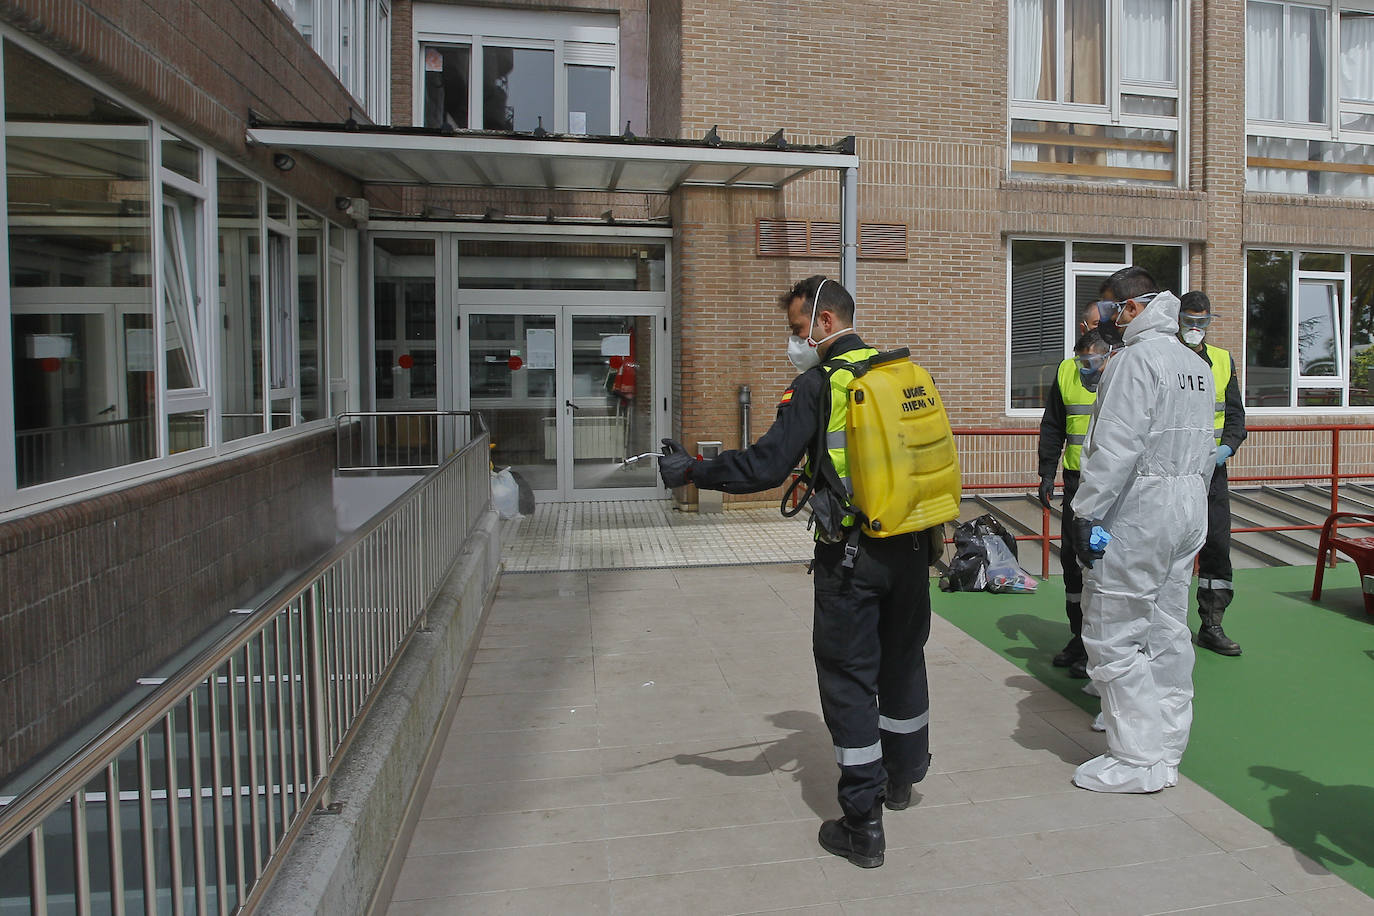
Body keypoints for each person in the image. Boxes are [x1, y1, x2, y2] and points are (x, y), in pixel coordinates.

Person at [657, 275, 935, 868]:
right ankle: (903, 780)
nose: (794, 341)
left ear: (825, 323)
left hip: (852, 559)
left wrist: (691, 471)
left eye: (795, 329)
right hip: (912, 551)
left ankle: (863, 827)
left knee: (849, 680)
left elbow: (762, 465)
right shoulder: (901, 373)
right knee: (903, 665)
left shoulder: (818, 385)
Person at [1069, 266, 1216, 793]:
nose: (1104, 319)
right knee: (1168, 630)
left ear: (1131, 308)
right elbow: (1202, 442)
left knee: (1113, 633)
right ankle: (1166, 748)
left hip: (1140, 511)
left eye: (1110, 308)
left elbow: (1116, 447)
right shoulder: (1193, 361)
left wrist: (1086, 513)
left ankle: (1136, 757)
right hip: (1187, 506)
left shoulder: (1134, 361)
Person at [1037, 329, 1112, 679]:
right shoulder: (1067, 372)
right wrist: (1046, 474)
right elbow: (1052, 426)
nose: (1086, 368)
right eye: (1082, 361)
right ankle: (1078, 637)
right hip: (1076, 483)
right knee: (1071, 559)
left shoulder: (1122, 374)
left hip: (1111, 488)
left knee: (1101, 563)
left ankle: (1101, 644)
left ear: (1107, 355)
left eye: (1092, 362)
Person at [1178, 291, 1247, 656]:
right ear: (1178, 320)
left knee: (1217, 547)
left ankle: (1212, 624)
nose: (1194, 328)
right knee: (1169, 545)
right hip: (1172, 472)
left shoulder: (1221, 360)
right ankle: (1165, 624)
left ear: (1209, 322)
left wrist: (1227, 448)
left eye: (1201, 322)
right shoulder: (1166, 357)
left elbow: (1235, 415)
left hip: (1212, 473)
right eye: (1188, 320)